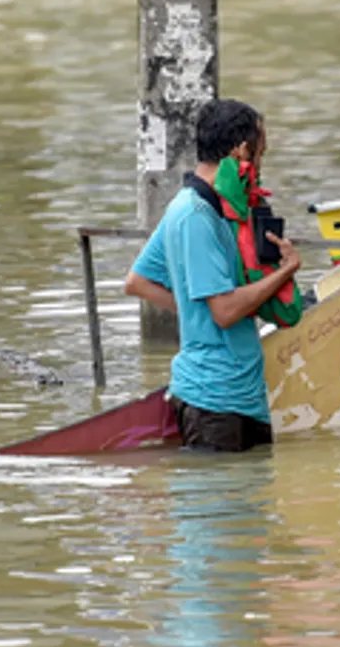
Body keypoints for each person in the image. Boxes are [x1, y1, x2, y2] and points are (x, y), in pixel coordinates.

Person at [123, 99, 301, 453]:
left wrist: (194, 312)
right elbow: (224, 312)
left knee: (252, 503)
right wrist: (286, 272)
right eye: (260, 152)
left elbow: (137, 281)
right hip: (214, 401)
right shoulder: (196, 216)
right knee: (220, 504)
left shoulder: (194, 206)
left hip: (242, 394)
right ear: (241, 151)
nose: (261, 164)